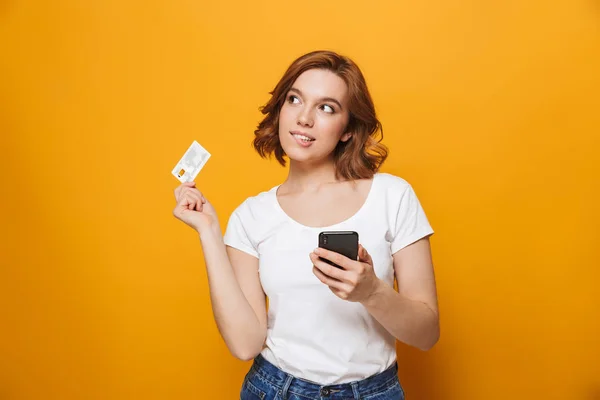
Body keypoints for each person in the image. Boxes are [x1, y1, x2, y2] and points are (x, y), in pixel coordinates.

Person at [173, 50, 439, 400]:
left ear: (347, 130)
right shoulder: (251, 216)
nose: (304, 118)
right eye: (295, 99)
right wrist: (208, 231)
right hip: (275, 389)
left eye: (326, 107)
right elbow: (244, 343)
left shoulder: (393, 196)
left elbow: (427, 333)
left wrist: (371, 292)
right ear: (281, 109)